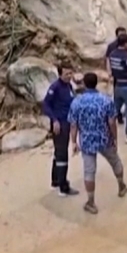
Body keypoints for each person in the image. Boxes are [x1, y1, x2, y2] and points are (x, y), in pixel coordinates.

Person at [68, 72, 127, 214]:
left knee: (89, 171)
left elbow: (73, 125)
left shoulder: (77, 102)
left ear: (83, 83)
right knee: (115, 161)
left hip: (87, 141)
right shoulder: (105, 100)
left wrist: (73, 142)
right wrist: (114, 138)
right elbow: (111, 121)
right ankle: (121, 186)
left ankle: (91, 202)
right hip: (104, 138)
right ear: (96, 83)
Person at [42, 65, 79, 196]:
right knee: (62, 154)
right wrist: (54, 120)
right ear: (60, 74)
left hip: (68, 121)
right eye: (66, 74)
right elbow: (45, 105)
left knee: (59, 152)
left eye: (70, 73)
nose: (69, 76)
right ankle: (64, 187)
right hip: (60, 124)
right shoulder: (55, 87)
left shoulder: (69, 86)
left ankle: (56, 180)